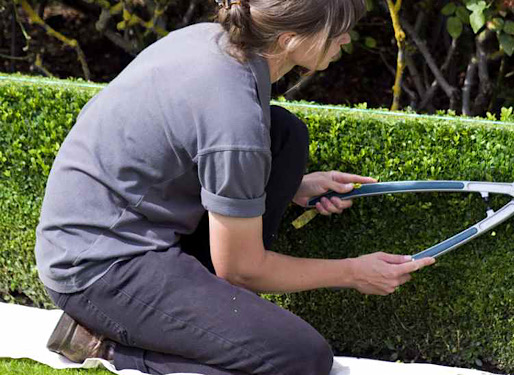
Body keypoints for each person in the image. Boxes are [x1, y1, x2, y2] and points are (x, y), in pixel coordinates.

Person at [34, 0, 436, 374]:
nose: (346, 39)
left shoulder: (214, 42)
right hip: (99, 266)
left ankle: (209, 316)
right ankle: (103, 345)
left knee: (285, 135)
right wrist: (352, 273)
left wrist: (294, 186)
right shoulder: (234, 112)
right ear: (289, 39)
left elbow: (202, 148)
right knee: (303, 359)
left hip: (120, 225)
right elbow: (241, 269)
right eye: (338, 31)